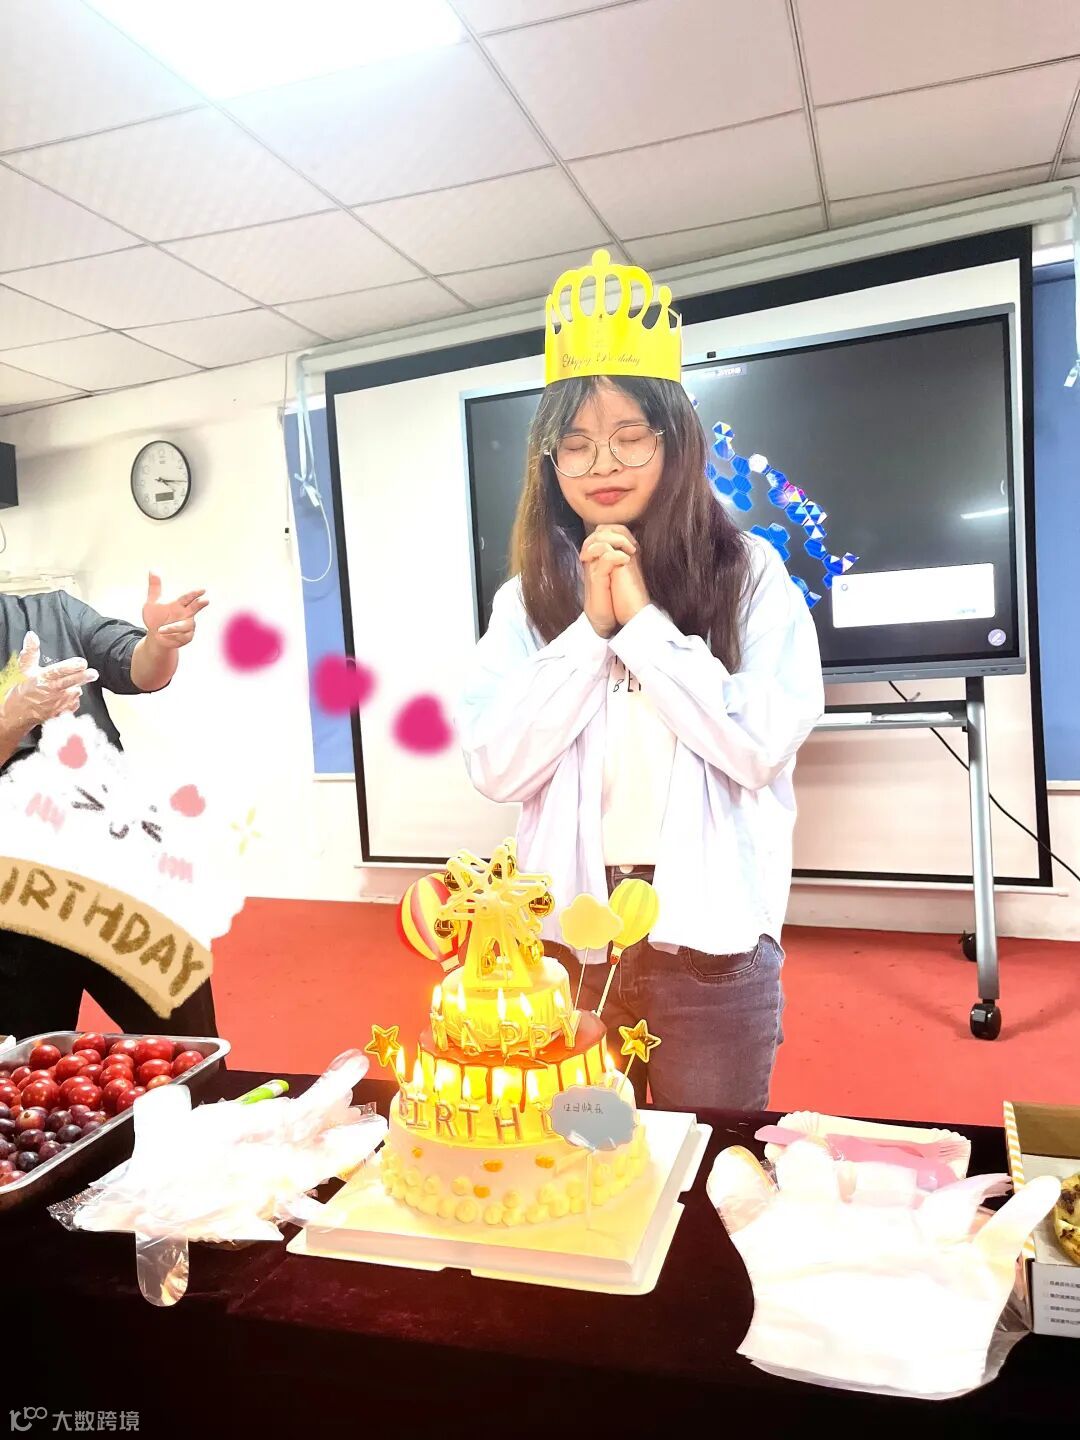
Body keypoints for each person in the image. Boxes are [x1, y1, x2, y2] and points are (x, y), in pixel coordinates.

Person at [455, 252, 824, 1111]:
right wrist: (590, 631)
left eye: (630, 435)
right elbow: (496, 765)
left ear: (674, 440)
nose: (602, 462)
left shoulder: (750, 575)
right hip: (569, 945)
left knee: (710, 1156)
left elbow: (759, 744)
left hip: (711, 942)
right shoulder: (528, 598)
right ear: (550, 461)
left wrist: (643, 626)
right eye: (575, 443)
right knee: (582, 1154)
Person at [0, 573, 216, 1040]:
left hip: (121, 873)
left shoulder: (53, 613)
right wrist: (12, 721)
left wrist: (160, 643)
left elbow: (139, 668)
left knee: (185, 1047)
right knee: (26, 1065)